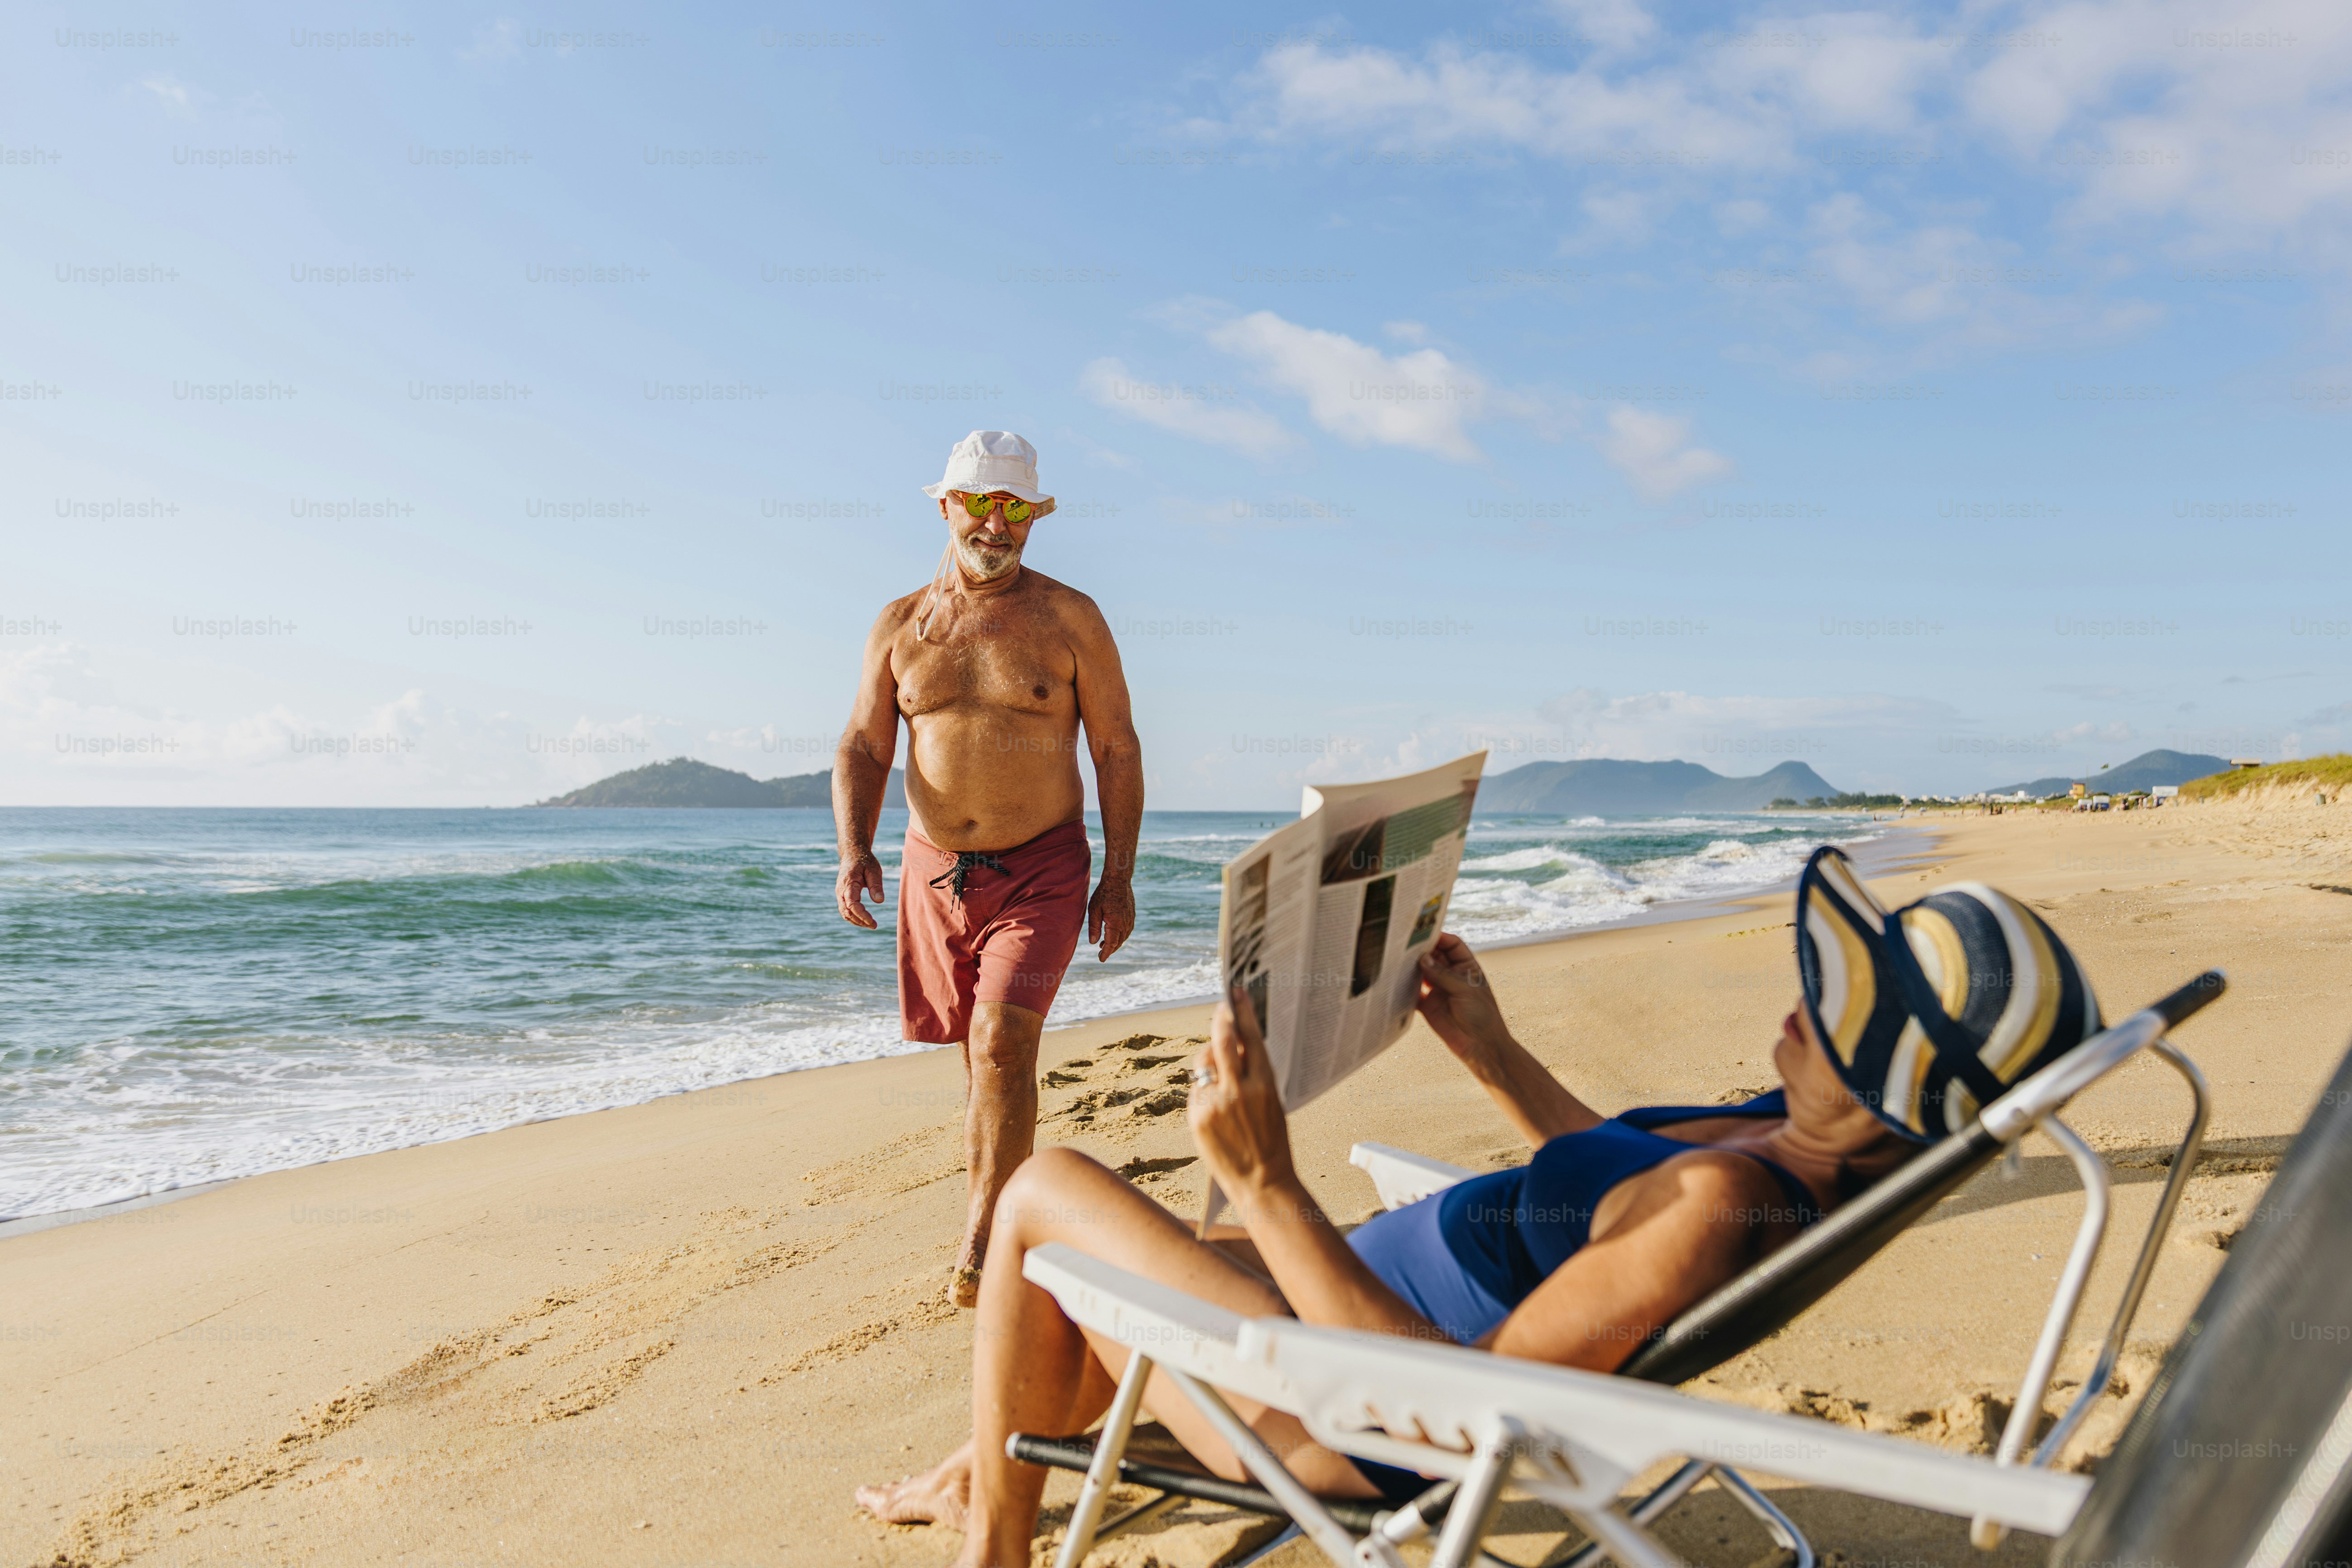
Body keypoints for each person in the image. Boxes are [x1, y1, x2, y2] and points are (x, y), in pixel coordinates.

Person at [856, 847, 2104, 1566]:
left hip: (1343, 1412)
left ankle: (993, 1550)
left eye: (1837, 1009)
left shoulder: (1726, 1199)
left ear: (1891, 1076)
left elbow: (1460, 1418)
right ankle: (980, 1467)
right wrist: (1491, 1055)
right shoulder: (1778, 1147)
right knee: (1068, 1319)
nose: (1799, 1001)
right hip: (1345, 1296)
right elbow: (1607, 1187)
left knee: (1044, 1190)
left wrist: (1266, 1178)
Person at [834, 430, 1144, 1307]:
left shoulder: (1070, 617)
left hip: (1043, 863)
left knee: (1005, 1040)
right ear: (947, 506)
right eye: (982, 504)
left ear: (1035, 517)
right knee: (979, 1057)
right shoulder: (898, 624)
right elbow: (863, 741)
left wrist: (1117, 876)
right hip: (936, 872)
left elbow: (1116, 746)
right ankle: (1011, 1197)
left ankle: (984, 1236)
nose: (997, 524)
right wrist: (854, 845)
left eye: (1017, 508)